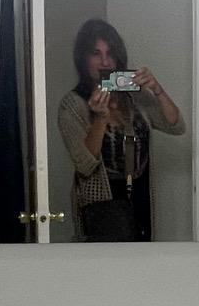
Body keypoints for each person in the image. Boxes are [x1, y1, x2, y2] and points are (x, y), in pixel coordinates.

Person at [58, 17, 185, 241]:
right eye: (96, 53)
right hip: (101, 208)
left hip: (140, 199)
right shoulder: (72, 105)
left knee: (140, 270)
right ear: (84, 58)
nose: (105, 62)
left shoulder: (133, 97)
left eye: (110, 54)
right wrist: (100, 118)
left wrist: (157, 89)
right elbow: (85, 164)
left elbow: (175, 125)